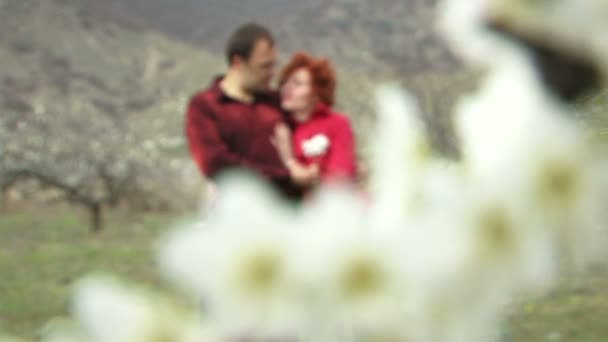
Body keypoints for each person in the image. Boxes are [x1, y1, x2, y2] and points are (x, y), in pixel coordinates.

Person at [185, 23, 303, 200]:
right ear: (238, 62)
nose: (272, 73)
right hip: (236, 213)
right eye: (264, 67)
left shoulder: (277, 102)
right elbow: (214, 163)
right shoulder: (206, 106)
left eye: (273, 65)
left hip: (288, 213)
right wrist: (284, 177)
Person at [272, 52, 358, 191]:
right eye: (285, 82)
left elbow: (342, 174)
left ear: (316, 93)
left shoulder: (337, 123)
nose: (287, 87)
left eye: (297, 83)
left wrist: (312, 179)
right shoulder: (278, 126)